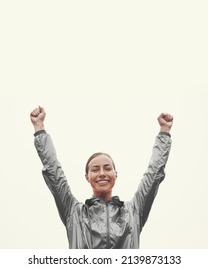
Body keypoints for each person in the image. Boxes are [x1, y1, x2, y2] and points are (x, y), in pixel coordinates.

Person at [30, 106, 173, 249]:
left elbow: (153, 175)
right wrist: (39, 127)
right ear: (87, 177)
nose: (102, 173)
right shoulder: (74, 212)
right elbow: (54, 172)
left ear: (115, 174)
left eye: (108, 168)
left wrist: (164, 132)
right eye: (95, 169)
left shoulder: (133, 212)